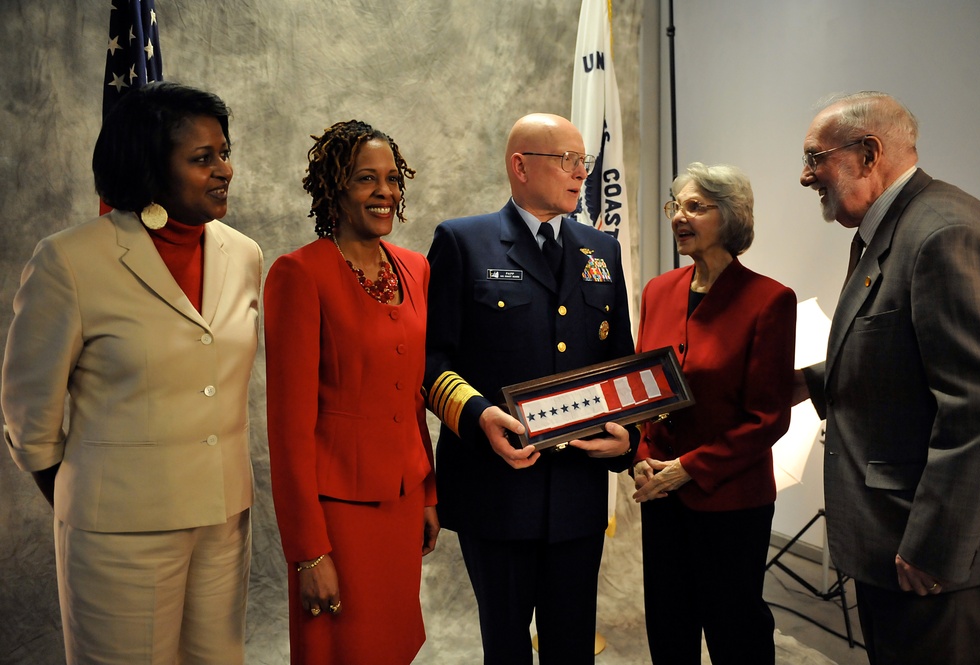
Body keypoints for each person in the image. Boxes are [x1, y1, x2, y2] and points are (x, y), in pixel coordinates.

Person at [1, 81, 261, 663]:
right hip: (117, 533)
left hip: (222, 525)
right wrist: (91, 503)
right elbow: (29, 416)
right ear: (149, 165)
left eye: (224, 152)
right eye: (202, 159)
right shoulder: (70, 261)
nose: (225, 170)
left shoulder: (244, 255)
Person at [423, 112, 636, 664]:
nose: (580, 174)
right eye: (566, 160)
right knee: (507, 646)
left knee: (572, 648)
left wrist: (627, 440)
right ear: (521, 166)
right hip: (496, 490)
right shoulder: (463, 242)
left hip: (577, 493)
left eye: (583, 162)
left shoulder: (601, 250)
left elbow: (620, 366)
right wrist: (477, 416)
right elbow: (432, 360)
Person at [796, 91, 980, 664]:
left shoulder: (941, 234)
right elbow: (899, 358)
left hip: (930, 562)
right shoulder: (892, 231)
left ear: (867, 152)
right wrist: (807, 382)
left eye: (816, 158)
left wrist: (936, 546)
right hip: (891, 542)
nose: (805, 176)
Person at [264, 120, 439, 665]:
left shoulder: (415, 268)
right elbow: (288, 430)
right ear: (334, 189)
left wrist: (428, 493)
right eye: (367, 179)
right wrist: (309, 554)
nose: (385, 191)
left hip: (404, 501)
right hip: (337, 515)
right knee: (342, 651)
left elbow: (411, 398)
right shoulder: (299, 274)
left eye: (392, 178)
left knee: (394, 647)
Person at [632, 162, 795, 665]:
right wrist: (642, 455)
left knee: (734, 630)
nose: (679, 217)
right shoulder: (658, 290)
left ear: (731, 216)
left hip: (730, 503)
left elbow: (769, 418)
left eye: (695, 207)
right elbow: (642, 393)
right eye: (674, 206)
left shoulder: (770, 300)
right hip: (660, 493)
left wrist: (689, 469)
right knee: (668, 624)